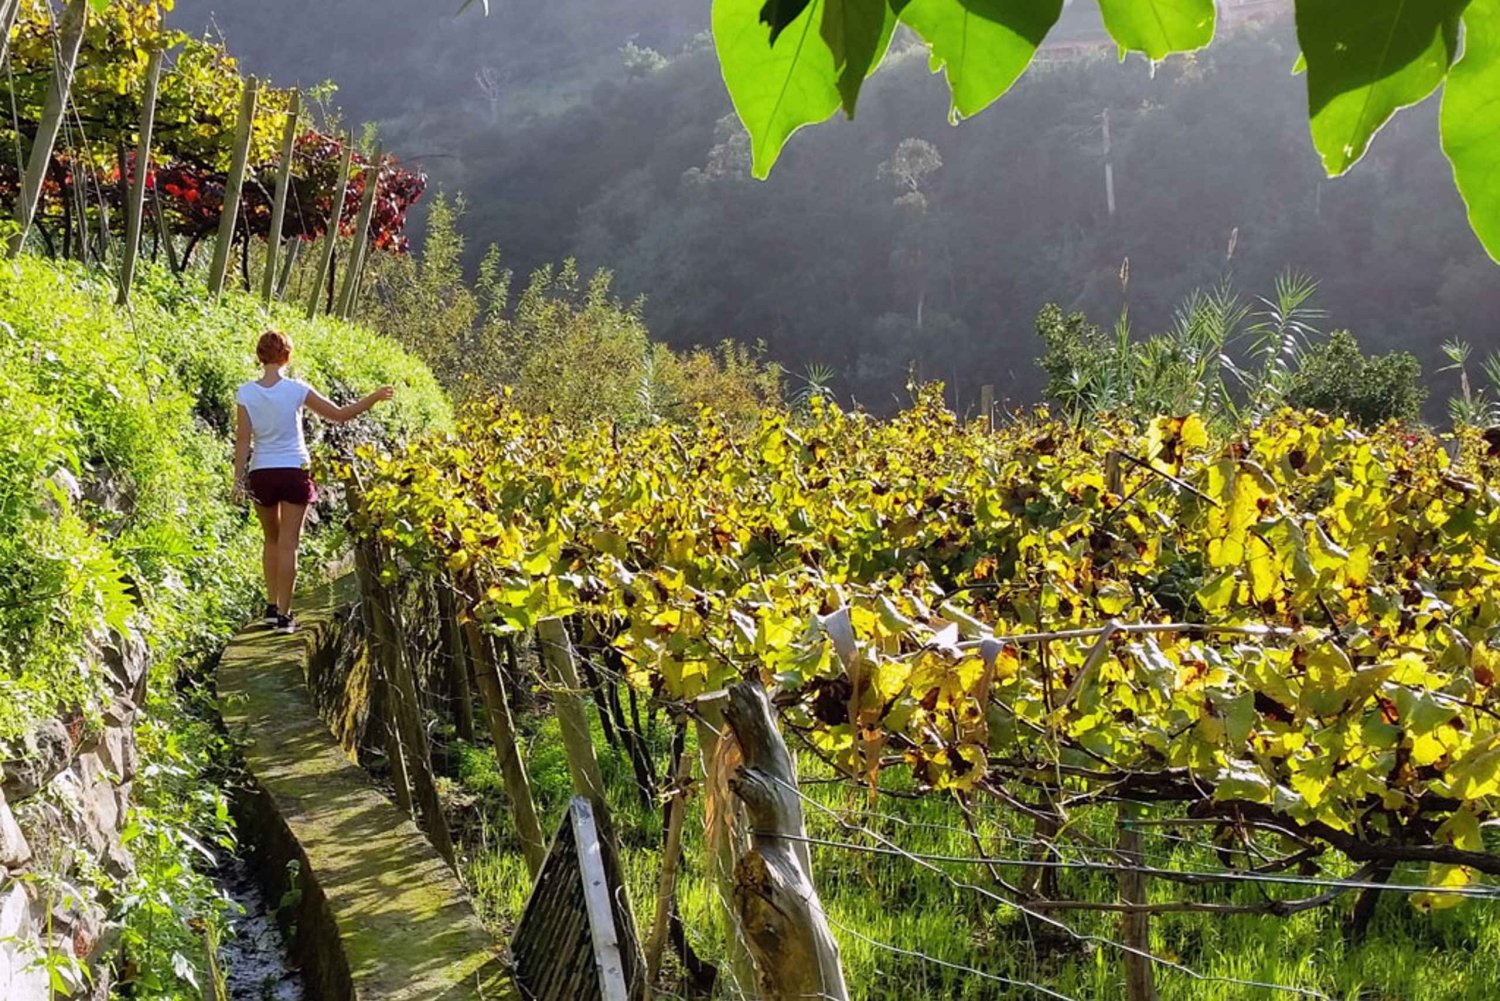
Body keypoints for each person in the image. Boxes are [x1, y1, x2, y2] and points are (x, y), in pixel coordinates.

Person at [233, 330, 393, 634]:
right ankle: (285, 615)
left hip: (261, 471)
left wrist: (238, 480)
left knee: (271, 540)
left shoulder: (246, 393)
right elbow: (340, 415)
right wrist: (373, 397)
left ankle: (270, 607)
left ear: (260, 355)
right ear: (286, 356)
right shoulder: (296, 389)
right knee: (289, 545)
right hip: (294, 468)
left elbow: (243, 441)